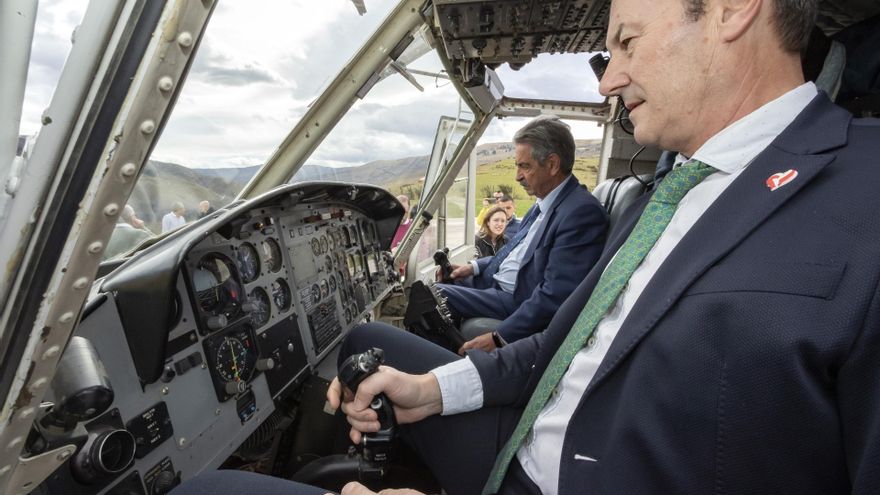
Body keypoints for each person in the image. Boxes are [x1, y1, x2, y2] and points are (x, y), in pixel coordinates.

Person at [174, 0, 880, 494]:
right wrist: (429, 388)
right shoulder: (669, 189)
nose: (608, 79)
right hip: (525, 444)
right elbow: (555, 348)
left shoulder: (864, 195)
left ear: (733, 9)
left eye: (627, 42)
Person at [436, 115, 607, 353]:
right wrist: (473, 267)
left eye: (525, 166)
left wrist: (499, 337)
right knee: (446, 279)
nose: (517, 176)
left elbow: (556, 294)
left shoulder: (580, 212)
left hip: (516, 299)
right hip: (496, 284)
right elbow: (514, 252)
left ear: (552, 164)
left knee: (436, 296)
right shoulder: (543, 203)